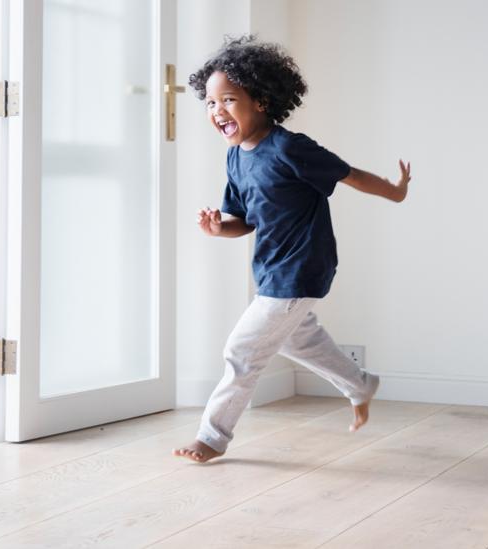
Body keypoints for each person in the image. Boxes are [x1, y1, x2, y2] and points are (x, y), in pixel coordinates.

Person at [173, 36, 412, 464]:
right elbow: (244, 221)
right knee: (298, 340)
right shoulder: (236, 158)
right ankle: (359, 384)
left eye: (228, 99)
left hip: (301, 267)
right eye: (210, 103)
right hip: (271, 270)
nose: (217, 111)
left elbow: (349, 174)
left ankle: (211, 437)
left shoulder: (289, 148)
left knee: (241, 351)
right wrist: (216, 228)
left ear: (262, 100)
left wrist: (394, 192)